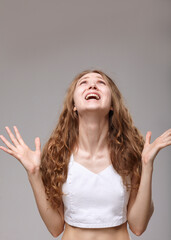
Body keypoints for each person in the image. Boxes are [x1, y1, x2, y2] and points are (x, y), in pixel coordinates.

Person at [0, 69, 170, 240]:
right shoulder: (58, 155)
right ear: (73, 105)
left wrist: (147, 165)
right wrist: (34, 174)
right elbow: (55, 228)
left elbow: (138, 226)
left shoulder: (131, 154)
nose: (92, 85)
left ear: (112, 104)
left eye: (101, 82)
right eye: (84, 83)